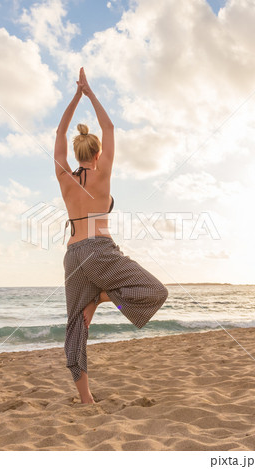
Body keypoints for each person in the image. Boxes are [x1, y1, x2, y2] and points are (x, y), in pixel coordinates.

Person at [54, 67, 168, 404]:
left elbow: (61, 130)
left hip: (73, 255)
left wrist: (75, 96)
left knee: (76, 326)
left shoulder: (63, 176)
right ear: (98, 153)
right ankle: (103, 299)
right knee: (154, 292)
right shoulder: (103, 172)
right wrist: (89, 93)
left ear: (76, 153)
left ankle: (86, 399)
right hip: (99, 252)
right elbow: (109, 127)